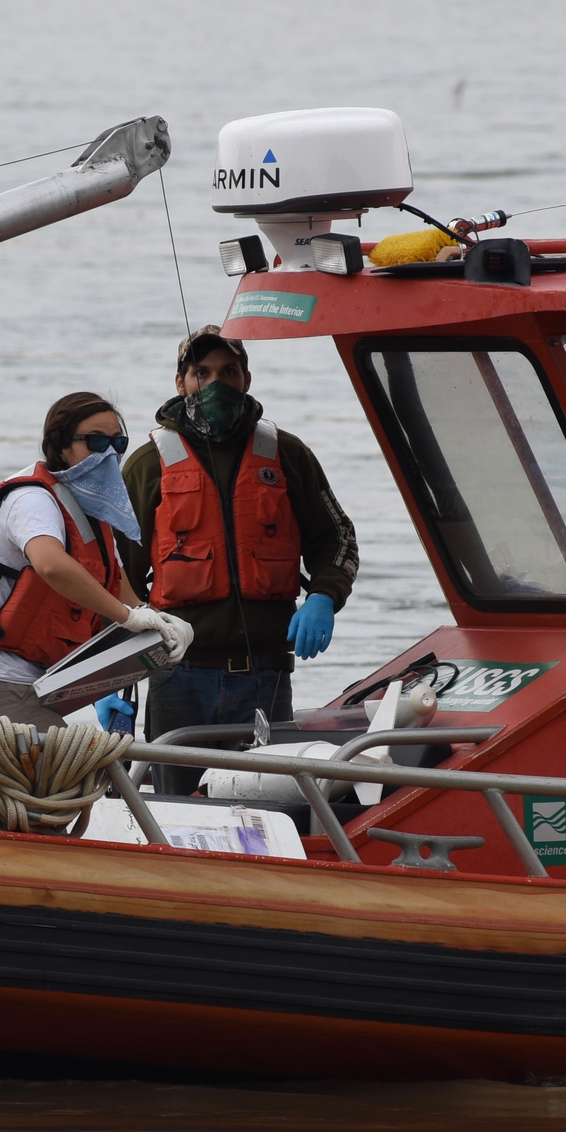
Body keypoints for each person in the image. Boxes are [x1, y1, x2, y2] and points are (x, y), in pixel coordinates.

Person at [118, 327, 359, 793]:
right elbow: (115, 577)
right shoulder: (149, 463)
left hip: (266, 674)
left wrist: (324, 597)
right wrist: (114, 681)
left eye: (228, 372)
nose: (215, 383)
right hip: (177, 676)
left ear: (246, 378)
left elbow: (338, 538)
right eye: (201, 373)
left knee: (265, 801)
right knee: (176, 809)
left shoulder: (286, 453)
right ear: (180, 381)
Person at [0, 392, 192, 730]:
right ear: (62, 445)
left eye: (117, 443)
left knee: (88, 774)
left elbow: (114, 580)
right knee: (72, 778)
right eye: (95, 441)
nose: (108, 453)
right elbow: (50, 564)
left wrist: (157, 618)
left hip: (44, 686)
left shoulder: (91, 511)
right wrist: (127, 618)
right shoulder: (32, 500)